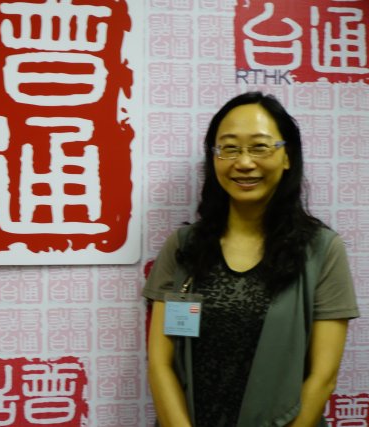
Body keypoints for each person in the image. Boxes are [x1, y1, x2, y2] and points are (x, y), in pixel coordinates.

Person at [143, 91, 359, 427]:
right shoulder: (184, 246)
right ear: (214, 159)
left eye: (260, 147)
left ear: (287, 157)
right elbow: (160, 363)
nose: (244, 162)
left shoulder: (321, 250)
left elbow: (323, 378)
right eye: (229, 148)